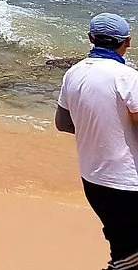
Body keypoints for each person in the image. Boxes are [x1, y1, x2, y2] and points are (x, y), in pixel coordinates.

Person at [55, 13, 138, 270]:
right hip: (126, 183)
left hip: (92, 178)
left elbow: (63, 123)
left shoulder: (73, 73)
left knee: (124, 251)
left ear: (90, 39)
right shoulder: (126, 77)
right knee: (128, 260)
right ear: (128, 42)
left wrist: (100, 130)